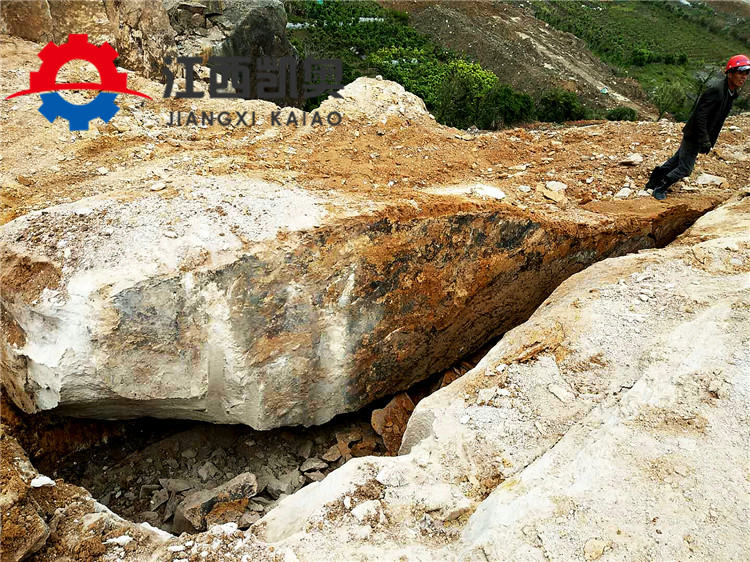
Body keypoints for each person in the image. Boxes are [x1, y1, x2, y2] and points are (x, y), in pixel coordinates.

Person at [646, 54, 749, 200]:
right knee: (685, 169)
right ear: (730, 73)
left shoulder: (730, 92)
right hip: (695, 134)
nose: (744, 77)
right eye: (740, 72)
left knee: (676, 161)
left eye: (746, 73)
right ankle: (660, 188)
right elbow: (700, 115)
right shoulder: (717, 90)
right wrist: (704, 139)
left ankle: (652, 182)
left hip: (699, 134)